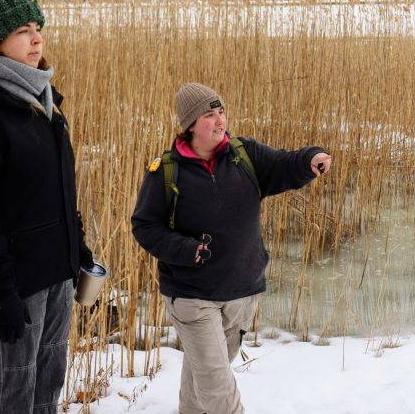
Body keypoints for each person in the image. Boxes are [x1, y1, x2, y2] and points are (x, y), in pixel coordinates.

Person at [131, 83, 331, 414]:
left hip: (241, 291)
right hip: (192, 295)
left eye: (221, 111)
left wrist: (310, 158)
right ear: (191, 124)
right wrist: (185, 250)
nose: (219, 120)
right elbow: (144, 226)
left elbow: (283, 163)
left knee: (205, 373)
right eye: (209, 115)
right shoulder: (167, 171)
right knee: (216, 384)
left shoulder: (244, 155)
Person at [0, 0, 94, 414]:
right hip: (17, 283)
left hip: (56, 272)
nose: (37, 39)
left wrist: (77, 246)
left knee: (47, 387)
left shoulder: (47, 104)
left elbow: (56, 190)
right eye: (23, 31)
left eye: (38, 28)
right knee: (9, 395)